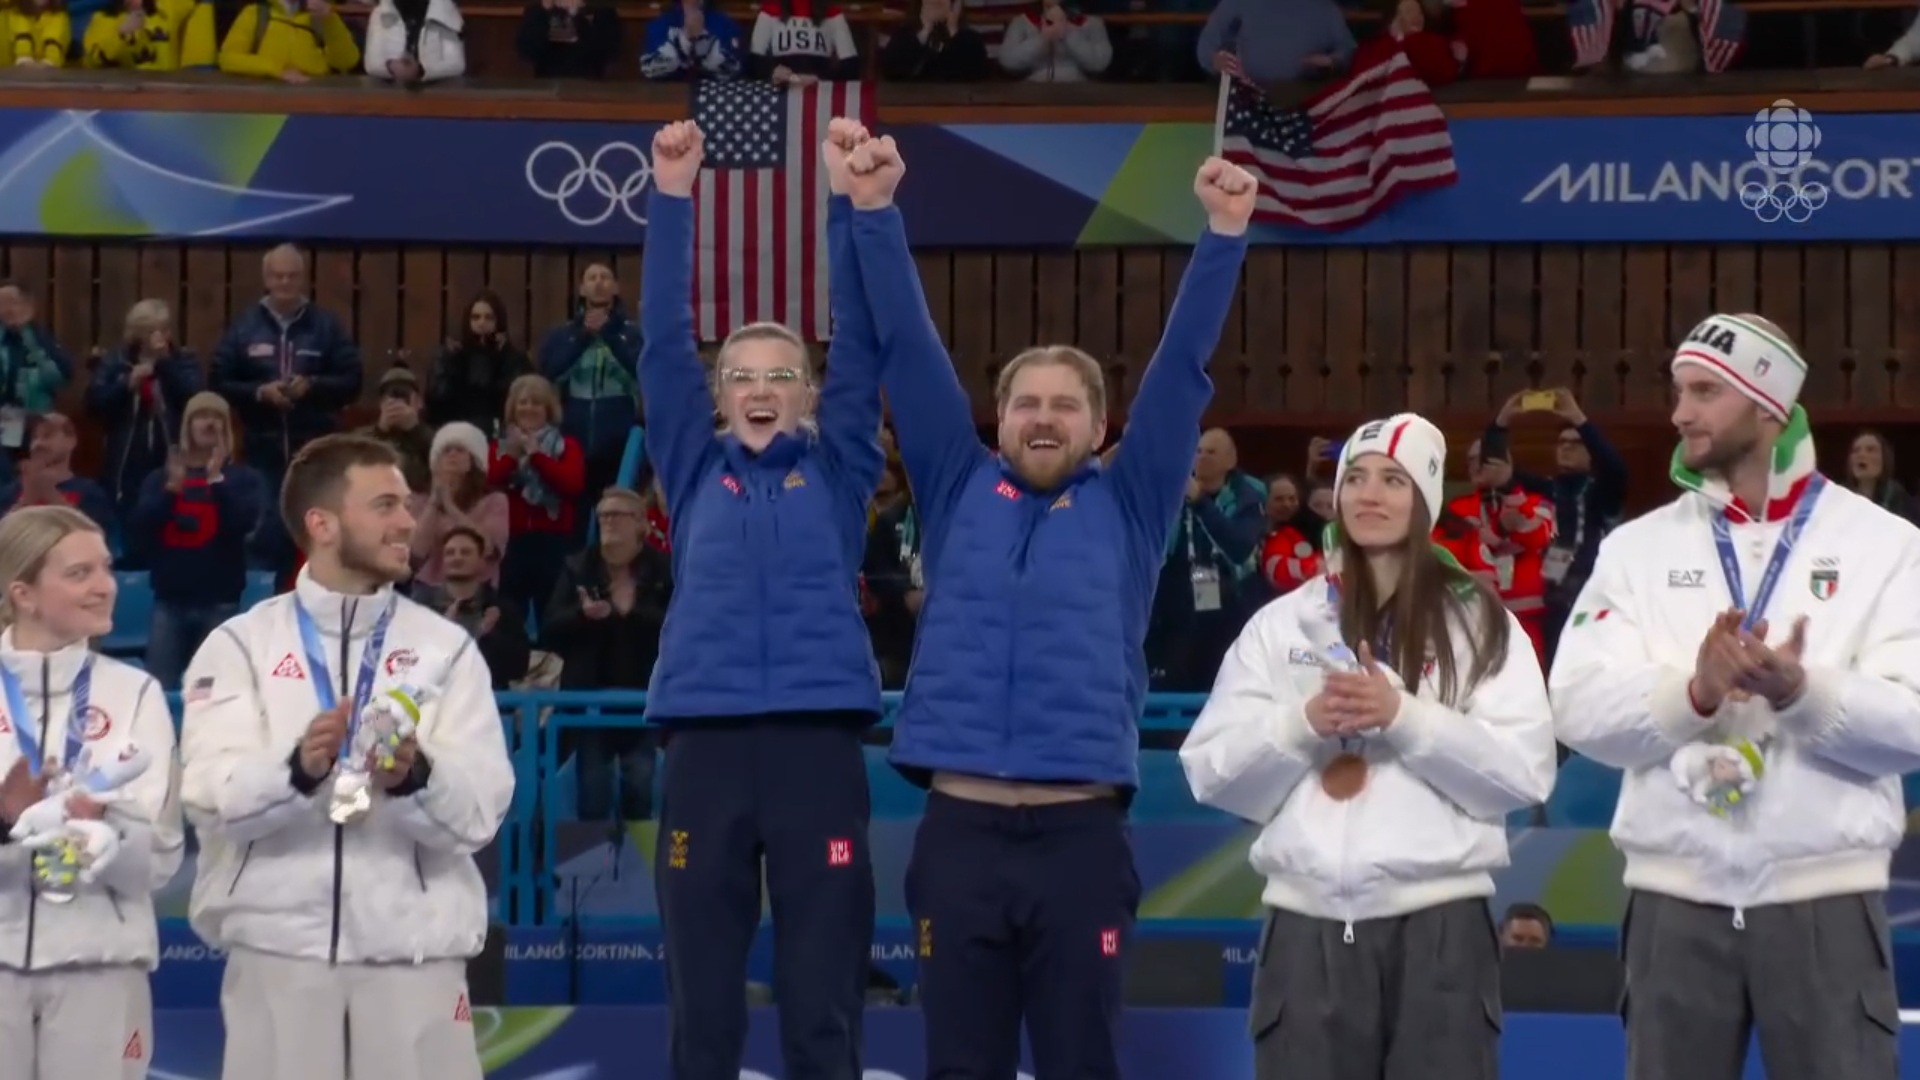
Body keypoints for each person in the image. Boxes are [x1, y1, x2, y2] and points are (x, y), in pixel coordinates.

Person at [845, 134, 1254, 1077]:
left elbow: (1181, 370)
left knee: (1081, 1061)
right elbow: (909, 350)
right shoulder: (955, 485)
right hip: (960, 837)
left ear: (1100, 426)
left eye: (1065, 405)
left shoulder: (1134, 500)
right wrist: (874, 214)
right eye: (1025, 402)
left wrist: (1224, 234)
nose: (1042, 416)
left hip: (1081, 841)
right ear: (998, 420)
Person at [1551, 313, 1920, 1080]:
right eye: (1679, 391)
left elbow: (1914, 721)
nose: (1679, 413)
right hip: (1672, 899)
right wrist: (1692, 694)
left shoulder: (1887, 545)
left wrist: (1803, 695)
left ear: (1769, 404)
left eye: (1704, 392)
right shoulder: (1635, 549)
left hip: (1826, 896)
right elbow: (1577, 707)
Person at [1181, 414, 1555, 1080]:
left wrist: (1405, 719)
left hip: (1440, 926)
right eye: (1354, 478)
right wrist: (1301, 725)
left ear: (1425, 500)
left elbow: (1525, 774)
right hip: (1305, 926)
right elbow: (1211, 772)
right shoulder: (1282, 624)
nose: (1368, 494)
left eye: (1392, 480)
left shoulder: (1480, 623)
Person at [641, 118, 886, 1080]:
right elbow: (663, 342)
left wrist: (844, 201)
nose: (760, 387)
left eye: (782, 374)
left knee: (822, 991)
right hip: (703, 743)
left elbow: (860, 341)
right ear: (716, 395)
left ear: (809, 396)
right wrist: (671, 197)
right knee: (702, 998)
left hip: (816, 746)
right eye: (740, 375)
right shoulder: (691, 466)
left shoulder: (841, 468)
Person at [177, 433, 515, 1080]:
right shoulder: (240, 646)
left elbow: (481, 813)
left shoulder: (445, 649)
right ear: (323, 524)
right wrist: (297, 769)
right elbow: (212, 799)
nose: (408, 522)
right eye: (385, 505)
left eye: (407, 505)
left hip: (415, 960)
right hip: (280, 957)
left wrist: (415, 777)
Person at [0, 505, 183, 1080]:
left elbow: (160, 860)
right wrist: (6, 821)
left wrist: (102, 828)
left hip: (99, 967)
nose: (105, 585)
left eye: (106, 568)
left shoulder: (137, 693)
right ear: (24, 594)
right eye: (79, 573)